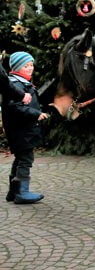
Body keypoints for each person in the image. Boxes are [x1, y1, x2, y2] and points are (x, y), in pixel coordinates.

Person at [2, 52, 49, 204]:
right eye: (25, 66)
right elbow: (16, 107)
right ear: (16, 67)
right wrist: (36, 114)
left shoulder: (22, 82)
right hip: (21, 131)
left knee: (20, 158)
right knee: (26, 160)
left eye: (31, 65)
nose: (30, 68)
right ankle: (22, 192)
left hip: (23, 131)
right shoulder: (16, 84)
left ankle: (13, 191)